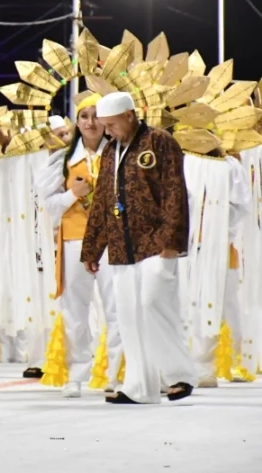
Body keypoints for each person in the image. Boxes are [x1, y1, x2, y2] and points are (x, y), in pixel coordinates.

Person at [81, 92, 196, 404]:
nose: (107, 131)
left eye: (112, 124)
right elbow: (102, 201)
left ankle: (179, 375)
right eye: (104, 126)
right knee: (129, 316)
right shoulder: (109, 152)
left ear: (130, 115)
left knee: (153, 304)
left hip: (157, 245)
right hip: (121, 247)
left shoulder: (160, 142)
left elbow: (175, 193)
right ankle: (140, 387)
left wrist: (171, 243)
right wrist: (92, 249)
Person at [38, 95, 122, 398]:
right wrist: (72, 194)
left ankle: (115, 375)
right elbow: (47, 206)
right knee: (75, 310)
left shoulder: (119, 154)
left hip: (112, 242)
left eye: (95, 116)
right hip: (75, 239)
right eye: (84, 116)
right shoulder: (62, 159)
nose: (90, 122)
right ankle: (76, 374)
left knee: (115, 309)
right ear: (77, 121)